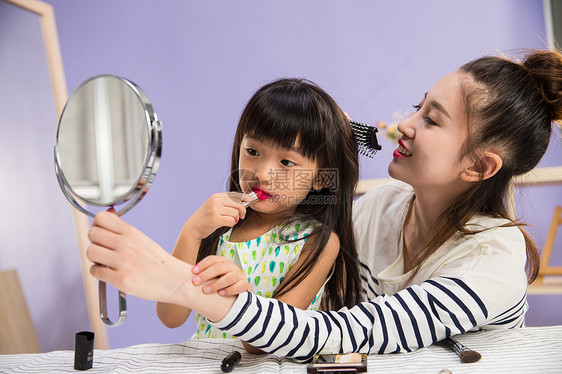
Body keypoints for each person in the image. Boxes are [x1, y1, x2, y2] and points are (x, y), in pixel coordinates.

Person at [86, 49, 562, 360]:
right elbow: (353, 145)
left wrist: (179, 284)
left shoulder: (493, 260)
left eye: (432, 120)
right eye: (418, 105)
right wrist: (323, 130)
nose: (409, 123)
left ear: (479, 168)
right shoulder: (380, 208)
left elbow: (342, 331)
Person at [154, 78, 363, 351]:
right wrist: (191, 232)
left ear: (321, 178)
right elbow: (170, 317)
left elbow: (263, 344)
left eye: (287, 162)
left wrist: (242, 297)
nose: (262, 174)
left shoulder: (316, 241)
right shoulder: (221, 225)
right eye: (252, 151)